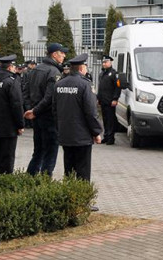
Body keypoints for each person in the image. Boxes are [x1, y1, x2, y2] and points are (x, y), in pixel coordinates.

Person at [53, 53, 103, 185]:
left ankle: (69, 197)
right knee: (83, 170)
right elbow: (91, 112)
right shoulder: (85, 85)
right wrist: (96, 132)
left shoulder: (59, 84)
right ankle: (82, 201)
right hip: (82, 136)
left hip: (65, 134)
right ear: (81, 69)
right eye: (85, 66)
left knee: (68, 169)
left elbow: (54, 110)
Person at [24, 43, 67, 175]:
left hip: (36, 116)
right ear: (54, 54)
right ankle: (44, 180)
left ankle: (30, 177)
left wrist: (30, 110)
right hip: (48, 117)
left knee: (38, 150)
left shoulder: (35, 69)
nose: (64, 56)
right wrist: (35, 111)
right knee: (50, 151)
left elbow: (25, 92)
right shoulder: (54, 72)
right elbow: (50, 98)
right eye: (62, 53)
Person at [0, 54, 24, 174]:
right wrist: (20, 125)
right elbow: (16, 104)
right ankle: (5, 182)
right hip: (8, 127)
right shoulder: (11, 82)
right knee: (7, 157)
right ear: (10, 67)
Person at [96, 55, 121, 145]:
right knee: (105, 120)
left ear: (110, 62)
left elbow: (118, 87)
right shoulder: (102, 74)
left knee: (110, 120)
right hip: (103, 100)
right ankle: (106, 136)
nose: (104, 64)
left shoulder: (114, 74)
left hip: (110, 101)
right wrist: (98, 98)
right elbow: (100, 88)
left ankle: (111, 138)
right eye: (103, 62)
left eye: (106, 62)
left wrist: (115, 98)